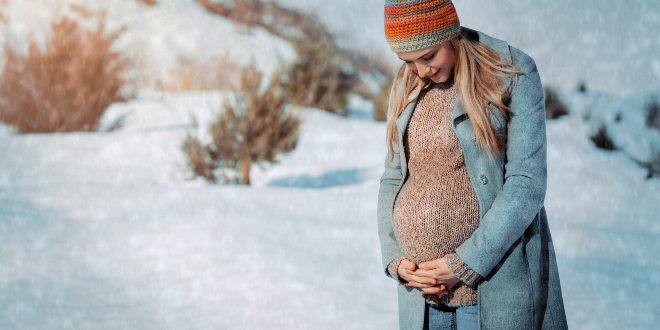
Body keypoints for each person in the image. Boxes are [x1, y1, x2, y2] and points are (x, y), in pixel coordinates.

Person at [376, 1, 568, 329]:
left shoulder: (512, 72)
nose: (421, 71)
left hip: (488, 294)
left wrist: (465, 263)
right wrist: (396, 258)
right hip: (421, 299)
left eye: (428, 56)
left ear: (451, 35)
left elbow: (526, 183)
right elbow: (394, 176)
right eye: (407, 61)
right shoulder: (407, 81)